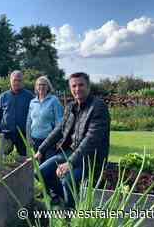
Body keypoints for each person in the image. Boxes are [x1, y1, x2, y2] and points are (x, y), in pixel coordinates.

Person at [36, 72, 110, 208]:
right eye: (73, 86)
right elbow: (58, 130)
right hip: (70, 152)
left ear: (88, 86)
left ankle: (72, 212)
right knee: (40, 172)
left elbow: (91, 140)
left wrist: (69, 163)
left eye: (81, 85)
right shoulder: (71, 106)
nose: (77, 89)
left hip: (90, 158)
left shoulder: (98, 107)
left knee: (68, 181)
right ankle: (62, 197)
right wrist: (41, 150)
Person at [0, 70, 34, 157]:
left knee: (24, 160)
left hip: (23, 134)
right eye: (14, 80)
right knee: (4, 159)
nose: (17, 82)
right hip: (6, 134)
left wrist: (31, 134)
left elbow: (34, 116)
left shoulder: (29, 96)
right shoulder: (3, 97)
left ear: (22, 81)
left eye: (19, 80)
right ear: (10, 81)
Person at [26, 76, 64, 164]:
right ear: (36, 87)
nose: (41, 87)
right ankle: (40, 178)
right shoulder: (32, 102)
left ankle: (51, 178)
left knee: (48, 166)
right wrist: (28, 138)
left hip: (49, 140)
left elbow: (60, 120)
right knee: (39, 165)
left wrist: (59, 139)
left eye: (44, 85)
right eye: (39, 85)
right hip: (35, 139)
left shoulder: (54, 100)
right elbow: (29, 121)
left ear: (48, 87)